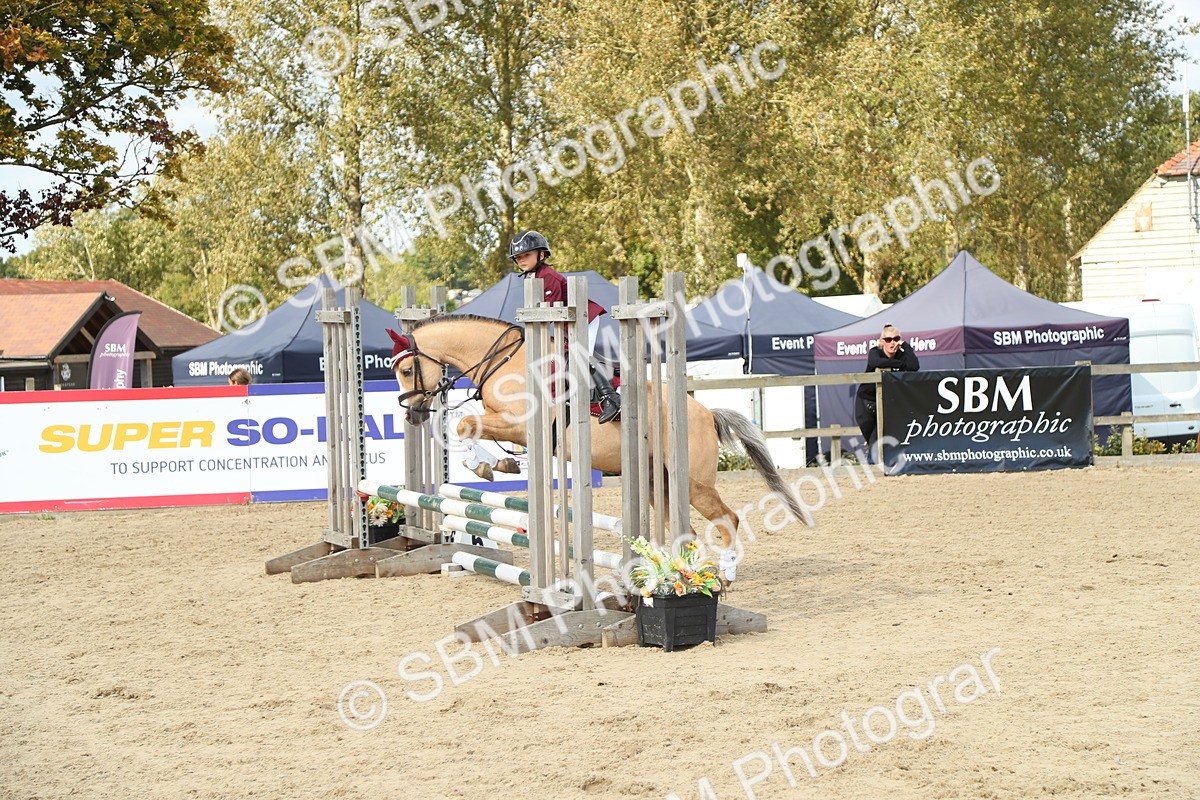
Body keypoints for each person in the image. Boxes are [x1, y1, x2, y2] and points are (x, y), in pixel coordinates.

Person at [508, 230, 621, 424]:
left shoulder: (548, 276)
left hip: (585, 318)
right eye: (518, 258)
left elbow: (549, 311)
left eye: (526, 255)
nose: (522, 261)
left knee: (578, 357)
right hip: (568, 322)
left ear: (541, 255)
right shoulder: (532, 277)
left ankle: (610, 397)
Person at [854, 324, 918, 452]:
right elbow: (875, 362)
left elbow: (914, 366)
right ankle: (873, 461)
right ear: (882, 341)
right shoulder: (875, 351)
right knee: (870, 437)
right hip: (866, 400)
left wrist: (906, 346)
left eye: (896, 339)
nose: (892, 343)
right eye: (888, 340)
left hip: (886, 402)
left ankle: (875, 466)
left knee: (877, 440)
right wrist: (900, 364)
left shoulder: (901, 354)